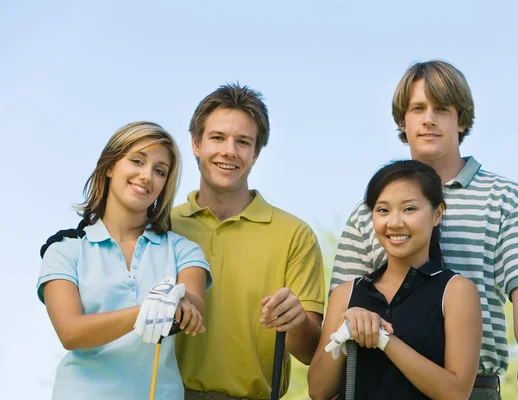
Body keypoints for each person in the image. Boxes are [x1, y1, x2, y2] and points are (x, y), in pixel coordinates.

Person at [330, 60, 518, 398]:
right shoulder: (369, 210)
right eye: (418, 108)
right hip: (380, 382)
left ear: (461, 119)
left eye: (441, 108)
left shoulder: (506, 198)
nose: (428, 119)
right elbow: (344, 307)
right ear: (402, 120)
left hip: (470, 386)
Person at [171, 83, 325, 399]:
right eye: (217, 138)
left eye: (243, 142)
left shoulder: (295, 235)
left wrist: (295, 321)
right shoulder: (163, 226)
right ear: (196, 144)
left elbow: (310, 353)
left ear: (255, 154)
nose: (229, 151)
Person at [37, 122, 212, 399]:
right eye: (137, 161)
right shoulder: (64, 250)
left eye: (159, 171)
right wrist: (148, 309)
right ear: (109, 166)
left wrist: (181, 306)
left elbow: (193, 305)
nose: (146, 176)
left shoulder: (183, 250)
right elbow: (70, 332)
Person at [309, 159, 482, 399]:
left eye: (409, 209)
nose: (395, 222)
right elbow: (318, 391)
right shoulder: (346, 294)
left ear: (437, 214)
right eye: (383, 210)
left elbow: (456, 393)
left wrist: (383, 339)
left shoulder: (456, 291)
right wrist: (344, 332)